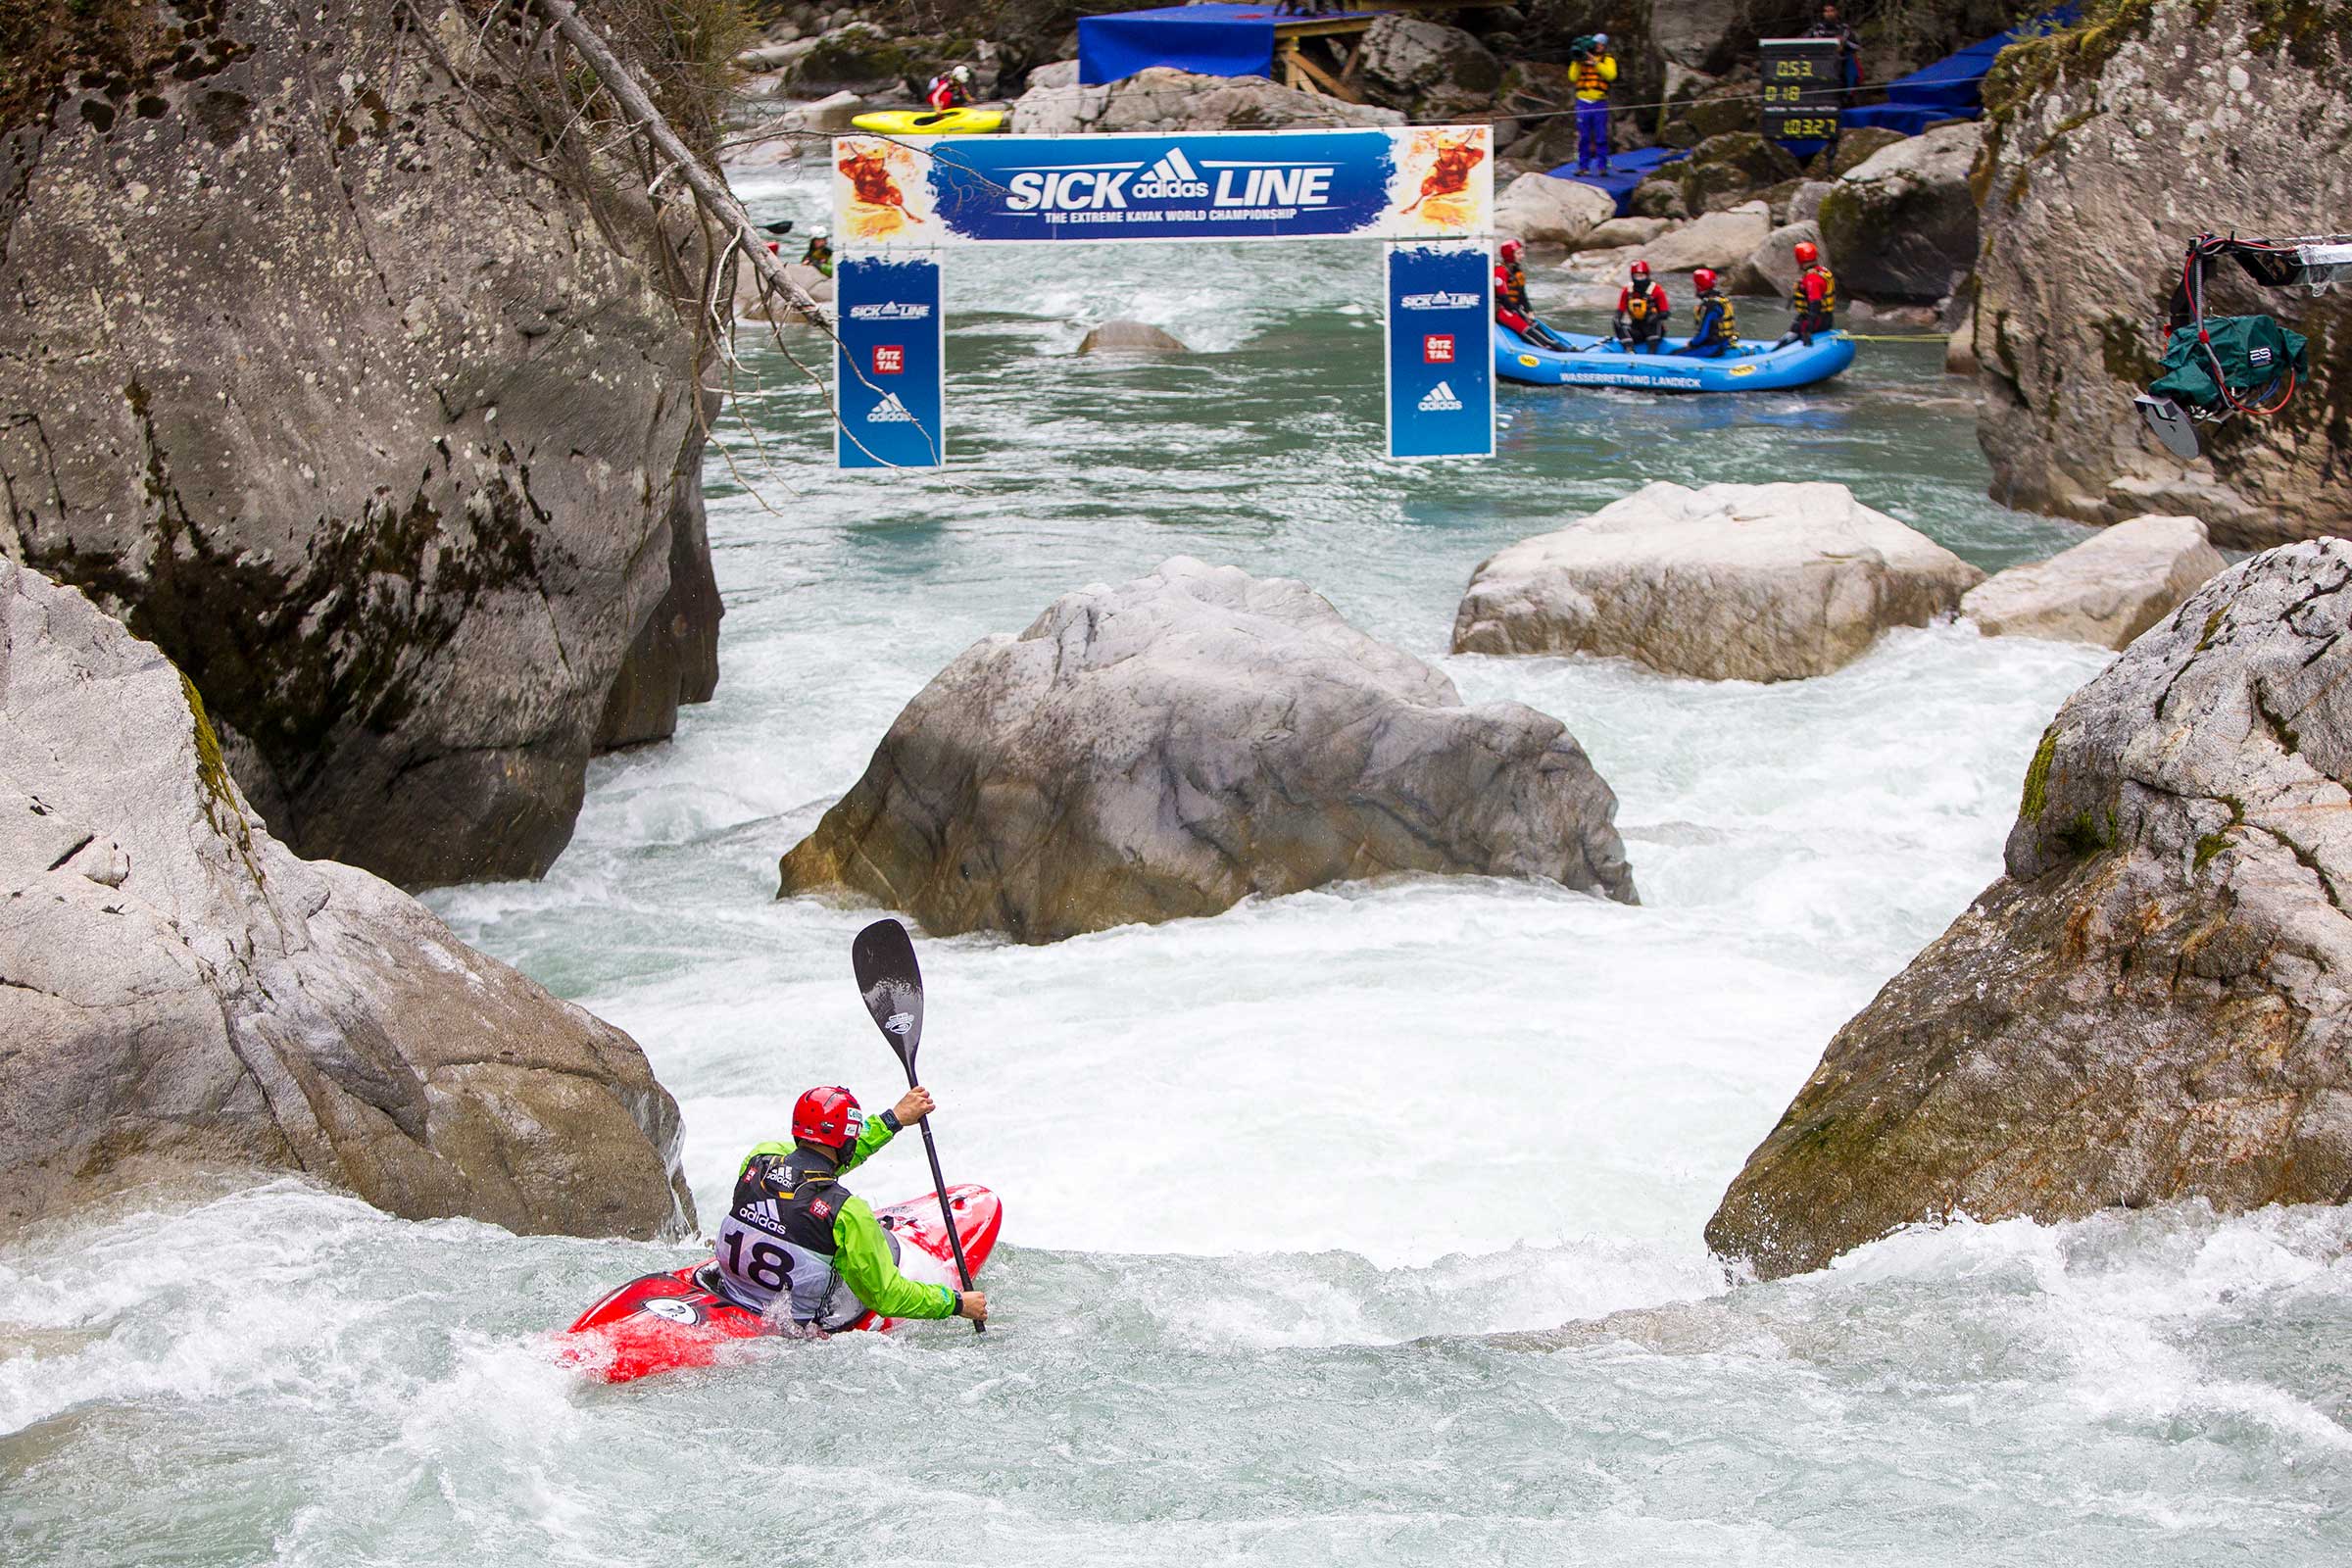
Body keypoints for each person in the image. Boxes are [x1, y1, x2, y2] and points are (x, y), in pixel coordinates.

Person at [710, 1084, 990, 1334]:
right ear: (847, 1142)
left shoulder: (759, 1159)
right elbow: (887, 1296)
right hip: (795, 1331)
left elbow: (817, 1159)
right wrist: (956, 1303)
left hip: (732, 1291)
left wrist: (893, 1120)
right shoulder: (847, 1211)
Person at [1494, 239, 1571, 350]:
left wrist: (1528, 311)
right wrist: (1520, 314)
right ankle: (1548, 348)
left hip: (1514, 308)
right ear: (1509, 255)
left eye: (1522, 253)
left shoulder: (1517, 272)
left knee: (1535, 325)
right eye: (1518, 253)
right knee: (1525, 327)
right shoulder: (1500, 272)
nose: (1522, 256)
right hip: (1502, 309)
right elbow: (1504, 298)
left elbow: (1522, 295)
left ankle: (1561, 347)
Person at [1569, 32, 1617, 176]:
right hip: (1583, 102)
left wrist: (1596, 63)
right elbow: (1572, 77)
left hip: (1599, 102)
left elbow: (1611, 75)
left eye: (1601, 44)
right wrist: (1578, 60)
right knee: (1584, 136)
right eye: (1596, 44)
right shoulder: (1580, 59)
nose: (1598, 46)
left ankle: (1602, 166)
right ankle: (1583, 166)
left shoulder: (1608, 60)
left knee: (1601, 136)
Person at [1778, 239, 1836, 345]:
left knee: (1787, 340)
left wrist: (1808, 329)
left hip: (1817, 321)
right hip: (1825, 318)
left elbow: (1815, 304)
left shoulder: (1812, 278)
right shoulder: (1822, 271)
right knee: (1793, 329)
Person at [1674, 268, 1739, 357]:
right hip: (1725, 343)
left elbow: (1703, 335)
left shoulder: (1709, 306)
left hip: (1712, 348)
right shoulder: (1721, 299)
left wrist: (1692, 343)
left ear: (1699, 286)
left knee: (1675, 354)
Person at [1615, 260, 1670, 353]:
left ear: (1647, 275)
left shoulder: (1657, 290)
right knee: (1616, 322)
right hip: (1636, 328)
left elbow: (1665, 313)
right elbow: (1620, 310)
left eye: (1642, 276)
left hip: (1652, 328)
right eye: (1637, 276)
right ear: (1632, 277)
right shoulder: (1627, 291)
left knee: (1654, 324)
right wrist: (1617, 319)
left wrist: (1655, 317)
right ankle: (1629, 349)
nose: (1639, 279)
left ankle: (1652, 352)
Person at [1806, 4, 1862, 92]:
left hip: (1842, 59)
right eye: (1826, 11)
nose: (1829, 13)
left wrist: (1844, 42)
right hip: (1821, 60)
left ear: (1836, 12)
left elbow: (1857, 46)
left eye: (1831, 11)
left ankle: (1849, 94)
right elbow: (1803, 42)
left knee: (1851, 67)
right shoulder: (1817, 28)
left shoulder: (1844, 28)